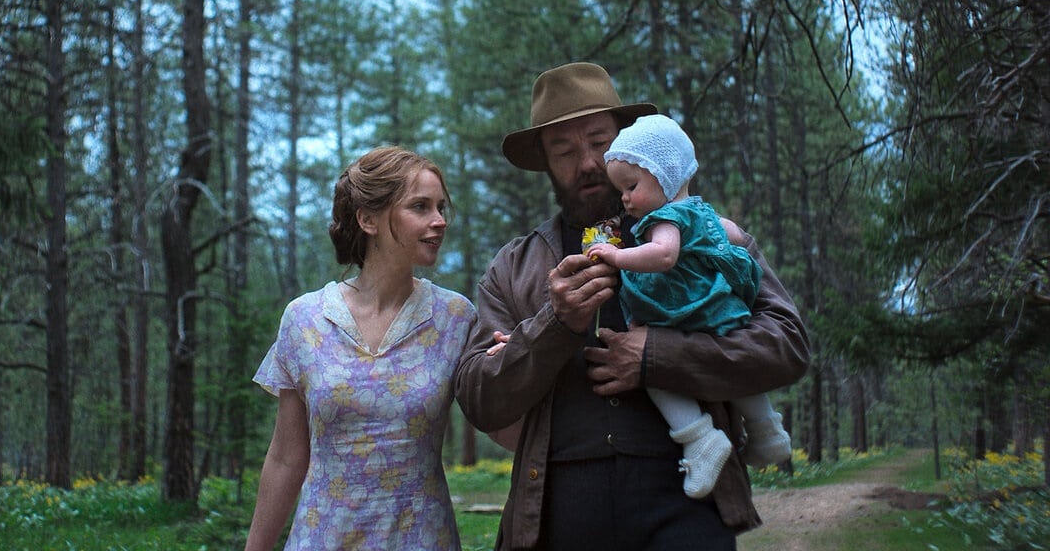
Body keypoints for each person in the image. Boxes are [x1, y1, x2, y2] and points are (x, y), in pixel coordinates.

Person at [454, 62, 810, 551]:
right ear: (545, 162)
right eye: (564, 151)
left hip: (688, 508)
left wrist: (656, 357)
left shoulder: (703, 232)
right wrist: (554, 323)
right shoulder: (514, 267)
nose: (587, 163)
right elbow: (479, 399)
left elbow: (787, 345)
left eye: (599, 142)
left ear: (626, 142)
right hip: (556, 517)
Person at [244, 146, 477, 551]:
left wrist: (531, 350)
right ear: (368, 219)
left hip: (421, 540)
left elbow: (504, 423)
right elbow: (285, 457)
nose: (439, 220)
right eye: (420, 206)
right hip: (321, 539)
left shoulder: (456, 317)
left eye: (441, 207)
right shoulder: (305, 319)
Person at [585, 114, 793, 499]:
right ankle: (766, 431)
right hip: (719, 308)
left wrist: (615, 256)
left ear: (664, 177)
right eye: (621, 190)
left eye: (631, 187)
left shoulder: (663, 220)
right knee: (736, 372)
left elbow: (664, 256)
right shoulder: (702, 211)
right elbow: (733, 236)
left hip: (680, 311)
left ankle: (698, 438)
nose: (625, 198)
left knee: (652, 368)